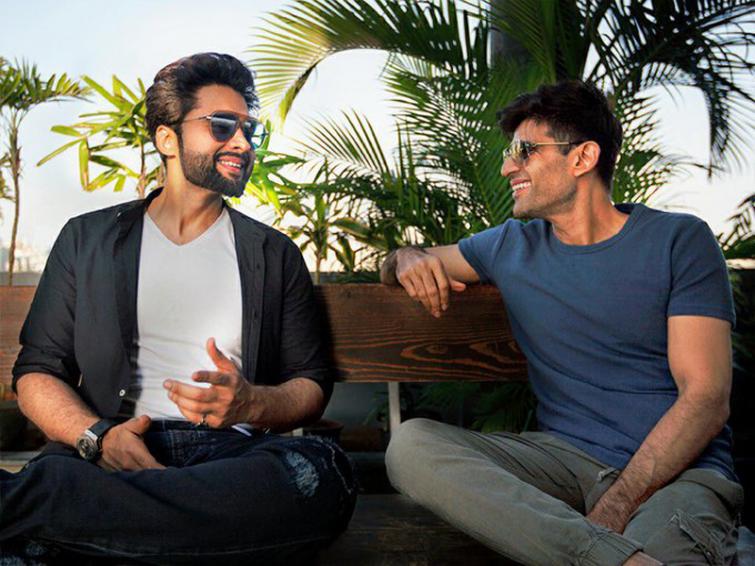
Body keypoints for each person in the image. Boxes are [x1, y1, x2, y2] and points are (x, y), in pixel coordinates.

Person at [2, 52, 356, 564]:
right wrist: (97, 438)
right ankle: (147, 531)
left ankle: (43, 510)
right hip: (109, 449)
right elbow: (37, 372)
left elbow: (311, 384)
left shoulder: (273, 253)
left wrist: (251, 404)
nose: (242, 143)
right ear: (167, 139)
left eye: (249, 130)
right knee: (67, 477)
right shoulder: (87, 239)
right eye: (222, 126)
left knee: (320, 472)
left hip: (229, 458)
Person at [381, 80, 743, 565]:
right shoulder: (509, 246)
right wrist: (405, 258)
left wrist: (618, 502)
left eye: (525, 152)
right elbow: (405, 261)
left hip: (679, 472)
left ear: (583, 157)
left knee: (668, 547)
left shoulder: (679, 241)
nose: (507, 167)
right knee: (411, 446)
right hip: (564, 463)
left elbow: (706, 399)